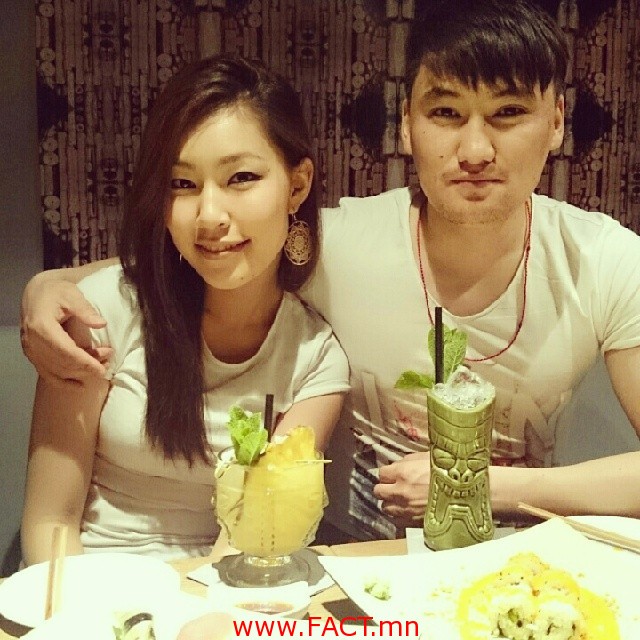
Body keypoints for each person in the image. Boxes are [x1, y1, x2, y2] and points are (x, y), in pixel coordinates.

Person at [21, 0, 640, 542]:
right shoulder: (336, 247)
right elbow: (208, 254)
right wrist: (50, 286)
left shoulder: (605, 262)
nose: (475, 151)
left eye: (508, 113)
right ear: (407, 123)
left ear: (557, 121)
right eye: (447, 113)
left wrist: (485, 487)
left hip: (519, 553)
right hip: (353, 563)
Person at [20, 55, 350, 565]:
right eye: (182, 184)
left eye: (241, 177)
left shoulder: (315, 360)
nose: (209, 216)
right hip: (89, 581)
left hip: (221, 584)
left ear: (297, 186)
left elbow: (254, 537)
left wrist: (195, 602)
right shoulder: (102, 314)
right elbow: (51, 523)